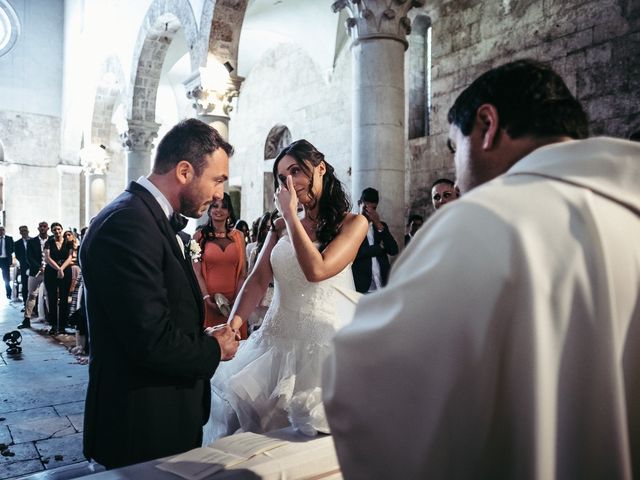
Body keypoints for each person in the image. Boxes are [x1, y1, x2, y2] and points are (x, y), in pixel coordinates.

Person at [323, 59, 640, 479]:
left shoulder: (481, 220)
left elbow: (372, 386)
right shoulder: (629, 212)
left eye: (456, 149)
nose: (457, 174)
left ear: (487, 124)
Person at [80, 118, 240, 469]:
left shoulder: (146, 218)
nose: (218, 195)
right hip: (139, 430)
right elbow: (149, 340)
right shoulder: (127, 224)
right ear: (184, 171)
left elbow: (157, 311)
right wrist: (214, 347)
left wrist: (198, 333)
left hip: (162, 423)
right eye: (217, 180)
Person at [202, 139, 368, 444]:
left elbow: (317, 271)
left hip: (323, 345)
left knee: (309, 440)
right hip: (272, 342)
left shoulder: (354, 223)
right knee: (258, 436)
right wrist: (233, 324)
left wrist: (291, 216)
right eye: (282, 177)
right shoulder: (279, 227)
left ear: (320, 168)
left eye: (296, 171)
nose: (290, 182)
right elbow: (257, 279)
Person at [193, 193, 247, 336]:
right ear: (209, 210)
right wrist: (207, 299)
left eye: (224, 207)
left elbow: (243, 273)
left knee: (234, 344)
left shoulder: (238, 236)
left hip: (235, 303)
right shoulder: (198, 237)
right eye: (215, 206)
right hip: (208, 301)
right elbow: (196, 272)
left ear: (229, 212)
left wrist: (238, 300)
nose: (219, 210)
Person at [351, 187, 399, 293]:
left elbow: (393, 250)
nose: (369, 213)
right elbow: (353, 254)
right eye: (366, 209)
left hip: (383, 285)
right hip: (362, 286)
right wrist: (379, 248)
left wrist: (378, 224)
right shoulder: (351, 226)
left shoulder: (381, 226)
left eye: (373, 209)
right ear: (359, 203)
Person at [43, 222, 74, 335]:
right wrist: (58, 269)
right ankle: (53, 325)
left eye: (59, 229)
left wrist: (62, 269)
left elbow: (70, 257)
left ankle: (62, 326)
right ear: (52, 231)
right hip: (51, 271)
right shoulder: (49, 242)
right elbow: (47, 258)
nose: (57, 231)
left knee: (64, 298)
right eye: (54, 229)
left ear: (62, 229)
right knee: (52, 298)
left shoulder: (68, 242)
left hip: (66, 270)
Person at [20, 221, 49, 329]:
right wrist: (38, 267)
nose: (42, 228)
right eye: (40, 227)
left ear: (48, 228)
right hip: (35, 272)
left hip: (49, 272)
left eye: (44, 226)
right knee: (32, 295)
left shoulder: (51, 240)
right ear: (38, 228)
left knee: (49, 295)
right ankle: (27, 319)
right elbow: (29, 257)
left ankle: (51, 320)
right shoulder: (32, 241)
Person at [14, 225, 30, 309]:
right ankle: (25, 303)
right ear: (20, 232)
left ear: (28, 231)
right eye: (22, 231)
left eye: (25, 230)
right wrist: (23, 261)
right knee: (25, 284)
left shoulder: (33, 240)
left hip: (33, 266)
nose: (24, 232)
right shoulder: (17, 243)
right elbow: (17, 255)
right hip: (24, 266)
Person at [0, 226, 15, 299]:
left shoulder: (9, 239)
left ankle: (8, 292)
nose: (1, 231)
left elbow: (12, 249)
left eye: (3, 230)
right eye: (0, 230)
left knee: (6, 277)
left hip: (5, 260)